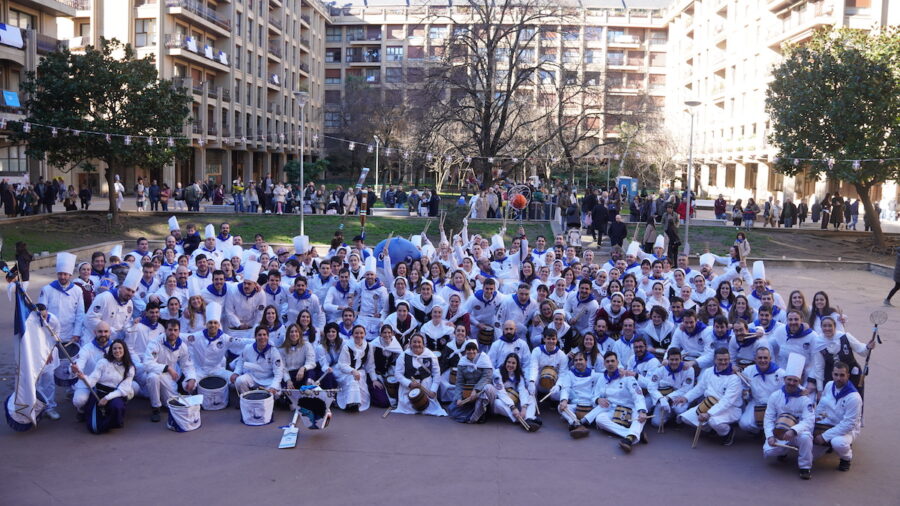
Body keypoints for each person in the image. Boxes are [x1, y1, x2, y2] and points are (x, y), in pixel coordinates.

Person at [762, 353, 815, 480]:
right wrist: (769, 436)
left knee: (806, 438)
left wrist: (793, 430)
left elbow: (809, 421)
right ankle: (784, 450)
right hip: (779, 431)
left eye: (795, 380)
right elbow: (768, 418)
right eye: (789, 379)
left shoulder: (805, 399)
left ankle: (805, 466)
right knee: (768, 452)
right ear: (784, 379)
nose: (791, 383)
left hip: (798, 433)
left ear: (799, 381)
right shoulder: (775, 396)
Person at [677, 347, 743, 446]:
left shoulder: (734, 378)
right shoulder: (708, 371)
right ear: (715, 360)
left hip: (730, 408)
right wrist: (686, 398)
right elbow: (699, 388)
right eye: (720, 360)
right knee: (685, 418)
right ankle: (711, 429)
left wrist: (709, 414)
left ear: (729, 360)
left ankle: (728, 432)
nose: (723, 362)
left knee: (713, 421)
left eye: (726, 359)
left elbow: (727, 401)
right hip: (708, 404)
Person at [589, 351, 648, 452]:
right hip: (613, 408)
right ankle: (633, 434)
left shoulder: (627, 376)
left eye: (612, 361)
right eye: (607, 361)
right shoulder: (602, 378)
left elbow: (638, 395)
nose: (610, 364)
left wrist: (642, 411)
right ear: (604, 364)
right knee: (599, 419)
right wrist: (598, 399)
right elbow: (595, 395)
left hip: (631, 407)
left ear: (617, 362)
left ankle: (629, 440)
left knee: (640, 417)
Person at [142, 319, 197, 422]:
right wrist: (167, 368)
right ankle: (155, 408)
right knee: (153, 377)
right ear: (165, 330)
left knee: (170, 403)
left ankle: (162, 398)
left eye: (175, 330)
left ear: (179, 331)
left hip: (169, 377)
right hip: (154, 372)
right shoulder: (155, 343)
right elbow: (147, 364)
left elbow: (187, 365)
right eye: (170, 330)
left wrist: (191, 378)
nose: (173, 332)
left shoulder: (182, 346)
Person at [74, 338, 136, 431]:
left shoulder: (130, 367)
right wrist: (83, 377)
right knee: (94, 428)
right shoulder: (103, 362)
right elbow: (92, 382)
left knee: (116, 406)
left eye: (120, 348)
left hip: (115, 394)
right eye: (114, 348)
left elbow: (124, 389)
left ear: (124, 350)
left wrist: (107, 398)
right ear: (111, 350)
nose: (117, 351)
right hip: (99, 393)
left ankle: (112, 420)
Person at [813, 361, 862, 472]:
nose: (838, 378)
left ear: (848, 376)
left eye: (842, 375)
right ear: (832, 374)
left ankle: (846, 458)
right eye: (836, 374)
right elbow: (822, 405)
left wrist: (824, 436)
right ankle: (828, 445)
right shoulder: (829, 385)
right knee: (810, 457)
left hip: (847, 430)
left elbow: (848, 424)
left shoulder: (854, 398)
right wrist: (815, 419)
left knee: (838, 443)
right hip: (827, 423)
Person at [392, 334, 446, 416]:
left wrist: (433, 390)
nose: (417, 344)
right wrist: (409, 384)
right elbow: (398, 374)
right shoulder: (403, 355)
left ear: (423, 344)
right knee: (408, 406)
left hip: (426, 387)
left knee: (430, 407)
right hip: (408, 388)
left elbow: (437, 375)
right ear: (410, 344)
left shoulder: (431, 355)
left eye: (419, 342)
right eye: (414, 342)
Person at [737, 347, 785, 434]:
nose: (763, 360)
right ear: (755, 359)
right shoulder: (748, 370)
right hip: (756, 402)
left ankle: (769, 432)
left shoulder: (780, 373)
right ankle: (759, 431)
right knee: (744, 424)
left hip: (775, 405)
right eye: (760, 358)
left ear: (770, 358)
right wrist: (746, 393)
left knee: (779, 427)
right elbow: (743, 386)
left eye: (765, 358)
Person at [448, 342, 495, 423]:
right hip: (469, 395)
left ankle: (481, 413)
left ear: (477, 350)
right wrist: (458, 398)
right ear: (465, 352)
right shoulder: (462, 362)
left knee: (487, 388)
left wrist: (476, 390)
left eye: (473, 349)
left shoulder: (484, 359)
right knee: (454, 408)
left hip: (482, 392)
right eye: (468, 349)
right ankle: (477, 414)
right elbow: (459, 382)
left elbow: (487, 377)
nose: (471, 351)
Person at [230, 326, 284, 396]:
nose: (262, 337)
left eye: (264, 335)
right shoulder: (248, 348)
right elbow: (241, 362)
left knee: (277, 393)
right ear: (255, 337)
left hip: (268, 380)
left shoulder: (274, 351)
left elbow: (278, 372)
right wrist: (236, 372)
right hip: (253, 377)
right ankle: (248, 398)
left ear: (268, 337)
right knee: (239, 381)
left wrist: (273, 387)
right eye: (259, 335)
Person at [492, 353, 540, 431]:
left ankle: (529, 418)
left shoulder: (518, 374)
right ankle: (519, 420)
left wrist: (524, 407)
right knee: (497, 402)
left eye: (513, 363)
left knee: (531, 397)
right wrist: (513, 407)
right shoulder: (497, 373)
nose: (510, 365)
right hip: (503, 402)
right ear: (505, 362)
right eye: (508, 362)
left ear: (517, 365)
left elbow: (522, 391)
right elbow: (501, 392)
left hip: (514, 400)